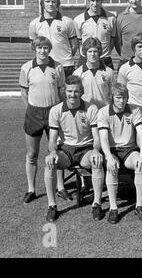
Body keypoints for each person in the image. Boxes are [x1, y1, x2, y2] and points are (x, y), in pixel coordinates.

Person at [44, 75, 104, 222]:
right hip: (66, 150)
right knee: (50, 163)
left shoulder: (91, 108)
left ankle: (97, 203)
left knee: (97, 161)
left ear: (81, 91)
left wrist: (96, 150)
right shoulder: (56, 110)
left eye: (76, 91)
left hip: (86, 149)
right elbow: (52, 139)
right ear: (65, 91)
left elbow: (97, 138)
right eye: (69, 91)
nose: (72, 94)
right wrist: (52, 152)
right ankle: (52, 206)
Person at [19, 36, 66, 204]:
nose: (42, 51)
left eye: (45, 48)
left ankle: (60, 187)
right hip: (34, 114)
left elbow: (61, 92)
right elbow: (24, 91)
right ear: (34, 49)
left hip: (54, 113)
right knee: (32, 153)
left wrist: (59, 113)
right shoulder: (26, 68)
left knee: (56, 151)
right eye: (39, 48)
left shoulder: (58, 67)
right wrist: (30, 109)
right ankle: (31, 189)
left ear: (49, 49)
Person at [97, 83, 142, 224]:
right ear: (112, 98)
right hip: (112, 150)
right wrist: (109, 157)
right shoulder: (103, 112)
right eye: (118, 97)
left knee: (140, 164)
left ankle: (139, 206)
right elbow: (103, 139)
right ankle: (113, 208)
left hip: (129, 149)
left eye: (124, 97)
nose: (122, 101)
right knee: (111, 166)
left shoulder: (135, 110)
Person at [28, 0, 78, 78]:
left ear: (58, 4)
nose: (50, 4)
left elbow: (74, 45)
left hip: (66, 65)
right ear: (42, 3)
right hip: (46, 65)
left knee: (68, 91)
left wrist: (65, 57)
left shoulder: (68, 21)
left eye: (53, 1)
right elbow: (34, 47)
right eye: (47, 1)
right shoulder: (34, 24)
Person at [74, 0, 117, 70]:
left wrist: (102, 54)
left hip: (105, 60)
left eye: (98, 1)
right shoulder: (78, 19)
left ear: (102, 1)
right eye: (92, 0)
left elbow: (112, 42)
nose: (95, 4)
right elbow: (79, 43)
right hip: (86, 60)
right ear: (88, 0)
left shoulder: (111, 18)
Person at [73, 37, 115, 109]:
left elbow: (113, 94)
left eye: (95, 51)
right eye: (90, 51)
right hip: (86, 111)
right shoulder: (77, 73)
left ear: (99, 53)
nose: (92, 54)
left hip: (104, 111)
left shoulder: (109, 72)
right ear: (85, 53)